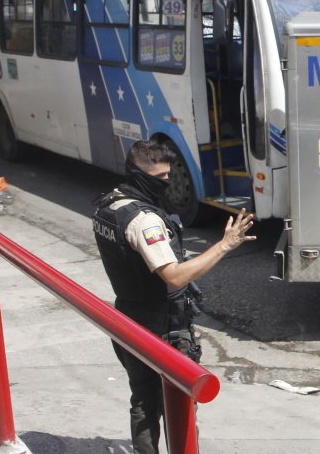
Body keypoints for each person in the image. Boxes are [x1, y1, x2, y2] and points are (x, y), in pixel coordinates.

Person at [95, 140, 256, 454]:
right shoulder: (145, 221)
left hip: (127, 316)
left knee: (143, 399)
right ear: (142, 176)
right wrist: (224, 245)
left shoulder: (108, 205)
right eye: (162, 177)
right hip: (161, 326)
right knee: (178, 403)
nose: (168, 182)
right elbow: (174, 275)